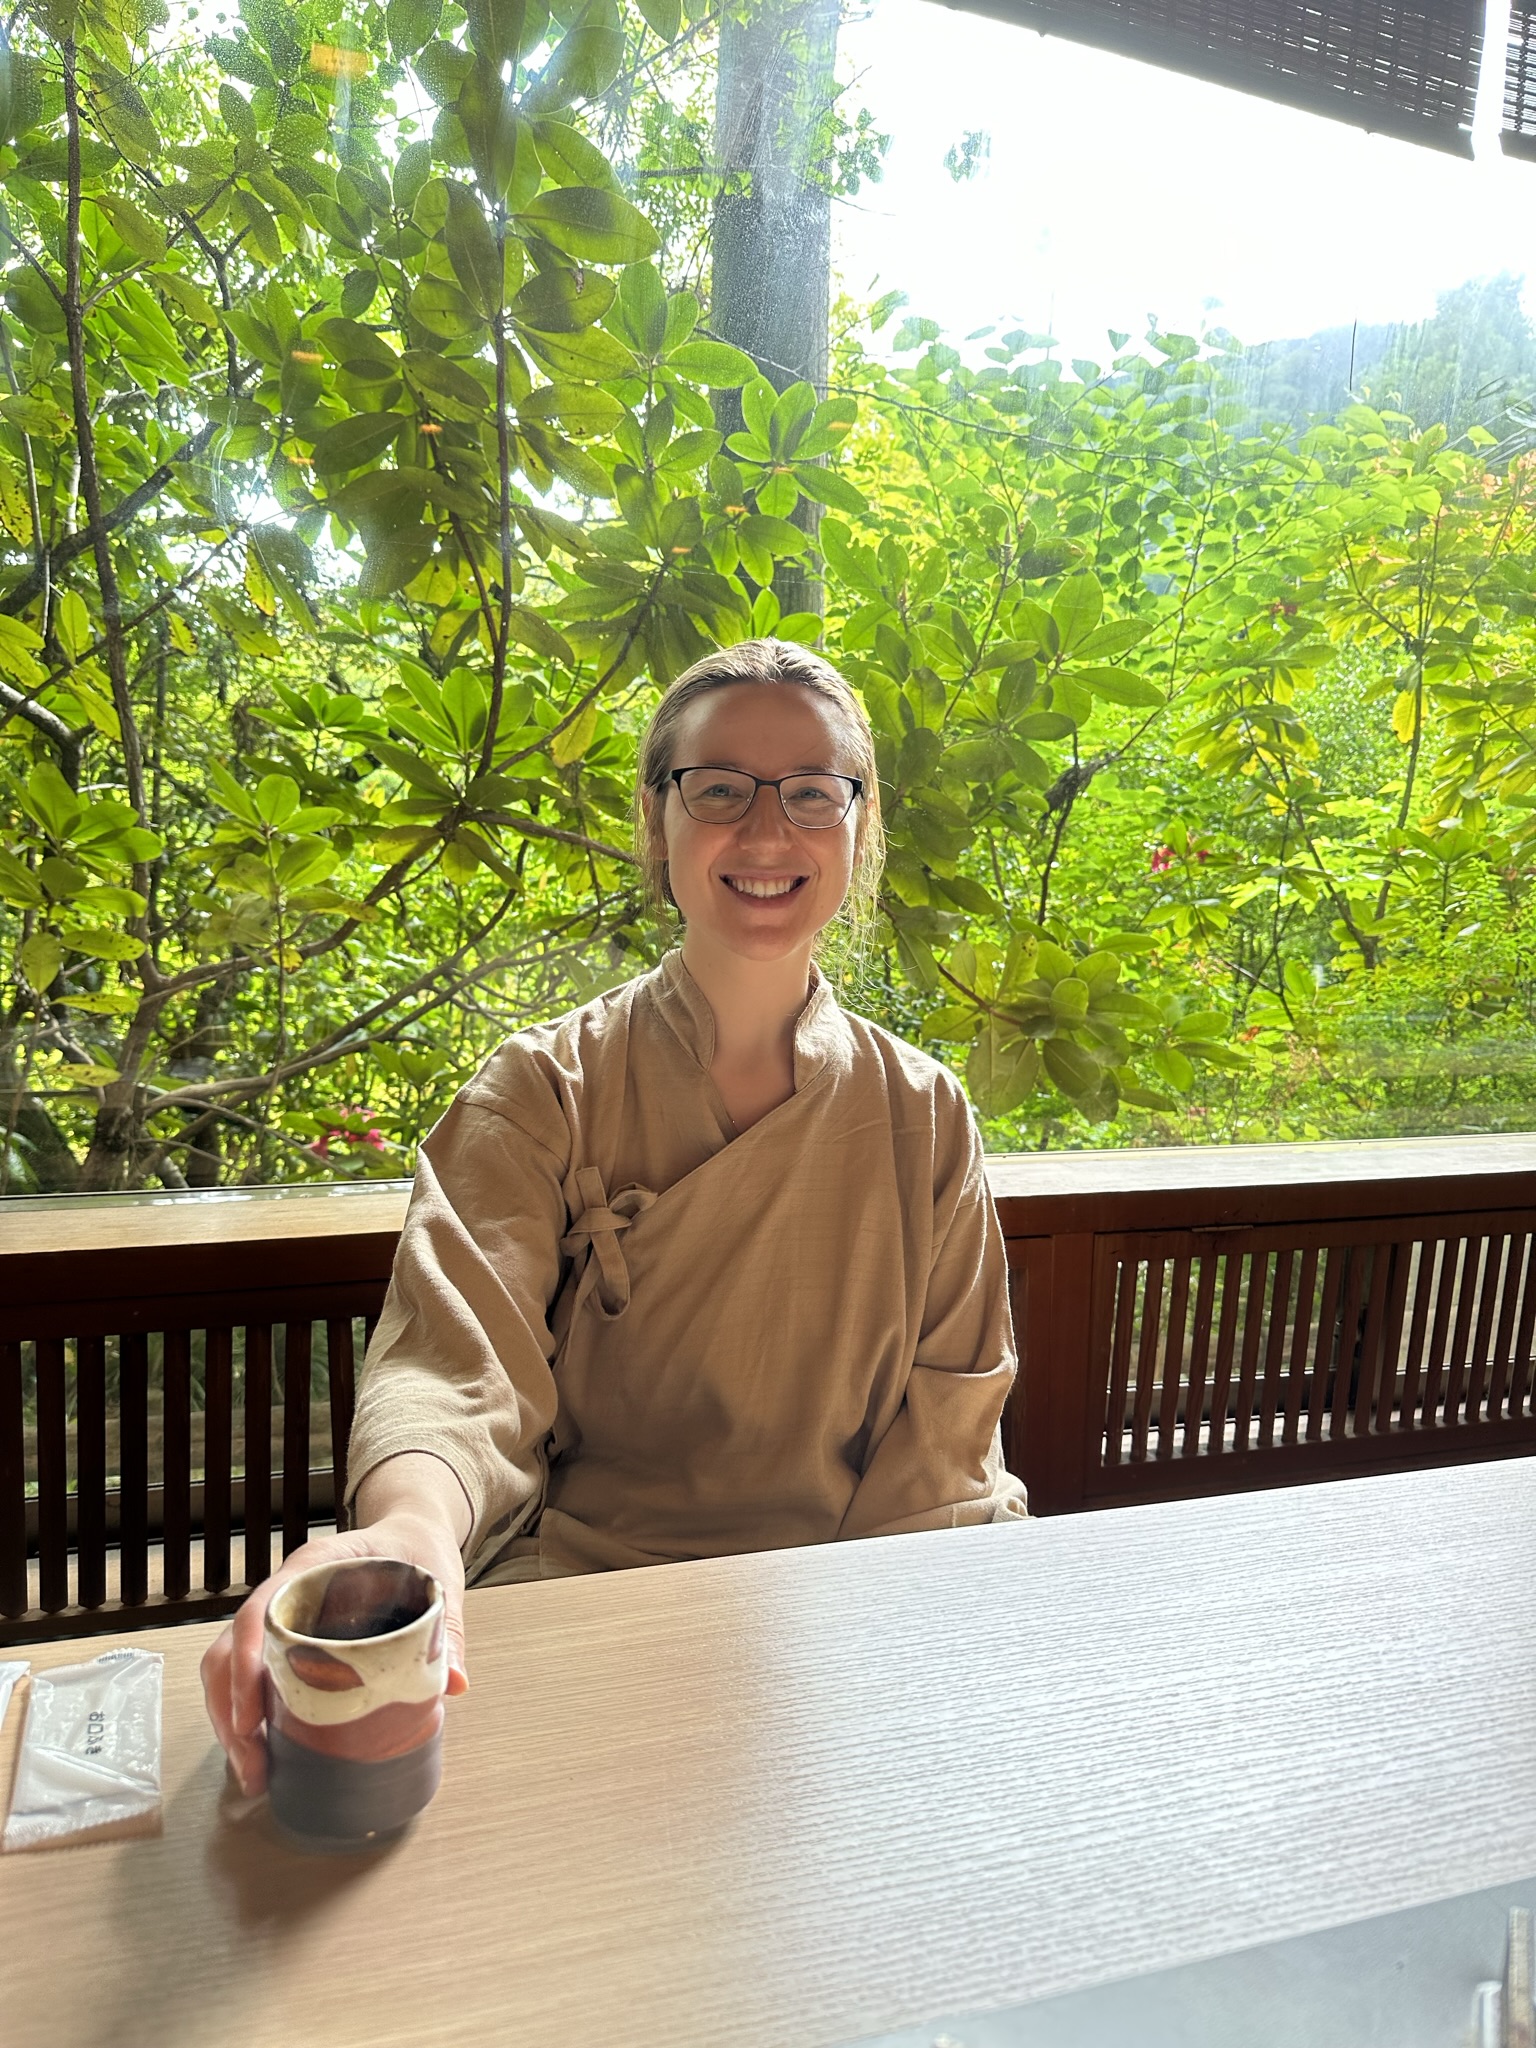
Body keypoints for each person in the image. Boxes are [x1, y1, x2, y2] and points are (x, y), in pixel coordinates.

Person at [202, 638, 1029, 1794]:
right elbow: (455, 1372)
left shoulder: (924, 1114)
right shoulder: (542, 1091)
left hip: (841, 1629)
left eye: (811, 791)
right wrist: (408, 1536)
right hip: (583, 1596)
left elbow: (944, 1446)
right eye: (719, 787)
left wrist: (870, 1689)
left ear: (859, 822)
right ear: (658, 820)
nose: (766, 831)